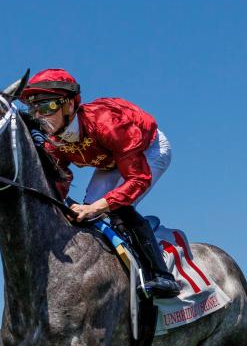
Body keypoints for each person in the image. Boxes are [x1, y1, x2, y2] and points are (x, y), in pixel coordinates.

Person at [20, 69, 179, 298]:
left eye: (46, 106)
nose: (38, 116)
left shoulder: (108, 124)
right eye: (33, 108)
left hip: (147, 150)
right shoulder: (53, 142)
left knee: (114, 209)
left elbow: (138, 179)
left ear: (70, 105)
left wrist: (97, 207)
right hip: (112, 159)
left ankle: (161, 275)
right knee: (88, 213)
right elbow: (59, 180)